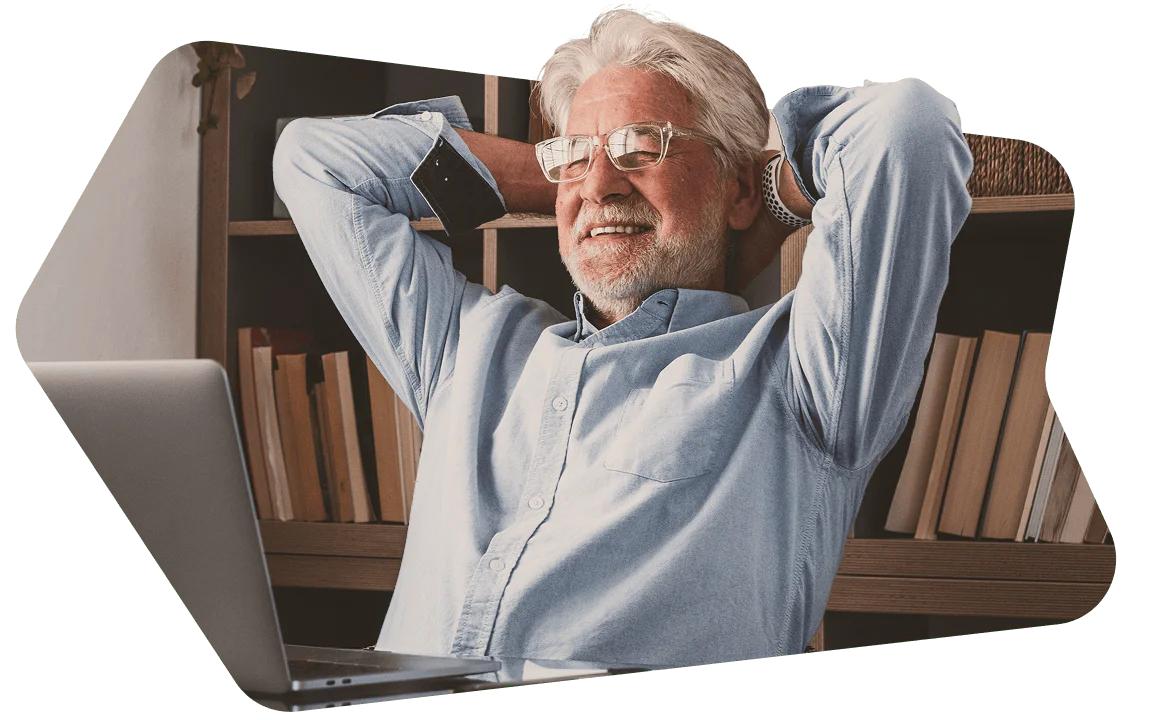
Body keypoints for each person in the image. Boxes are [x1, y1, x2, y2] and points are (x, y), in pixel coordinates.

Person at [272, 5, 974, 670]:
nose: (602, 184)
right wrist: (561, 180)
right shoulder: (468, 348)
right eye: (573, 155)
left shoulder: (803, 379)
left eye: (644, 147)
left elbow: (908, 124)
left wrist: (770, 193)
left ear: (733, 187)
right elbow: (314, 161)